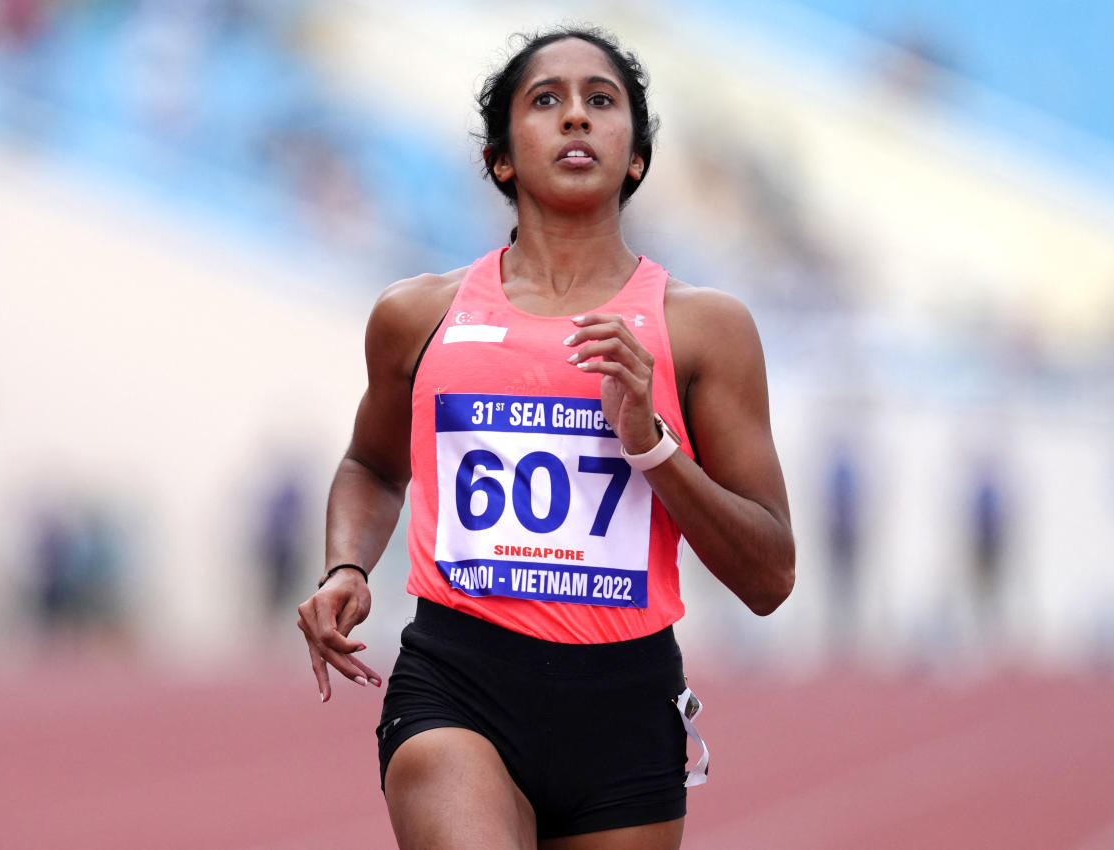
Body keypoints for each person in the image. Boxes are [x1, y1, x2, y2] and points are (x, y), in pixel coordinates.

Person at [297, 25, 795, 849]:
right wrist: (347, 562)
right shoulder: (417, 316)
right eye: (546, 101)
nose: (575, 118)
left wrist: (653, 445)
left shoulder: (704, 331)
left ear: (635, 156)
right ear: (501, 157)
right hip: (457, 684)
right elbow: (372, 464)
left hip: (624, 704)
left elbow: (770, 575)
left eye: (601, 102)